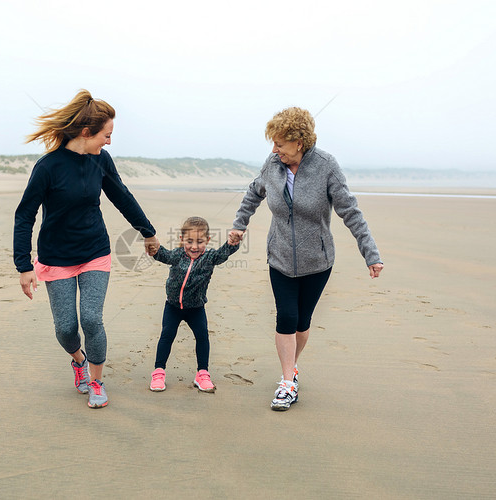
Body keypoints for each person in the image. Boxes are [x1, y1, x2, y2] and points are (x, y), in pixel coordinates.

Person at [229, 107, 383, 411]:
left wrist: (371, 253)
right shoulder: (272, 165)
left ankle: (292, 366)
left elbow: (350, 211)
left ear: (299, 142)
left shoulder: (326, 167)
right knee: (285, 317)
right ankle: (287, 383)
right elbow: (253, 193)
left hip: (317, 261)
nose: (274, 150)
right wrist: (239, 224)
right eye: (273, 144)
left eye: (280, 144)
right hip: (280, 258)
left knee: (302, 322)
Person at [14, 89, 160, 409]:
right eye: (106, 135)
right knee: (66, 328)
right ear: (85, 132)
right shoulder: (48, 167)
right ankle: (78, 360)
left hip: (95, 251)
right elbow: (25, 215)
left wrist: (147, 233)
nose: (108, 142)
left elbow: (121, 196)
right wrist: (23, 266)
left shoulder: (101, 161)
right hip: (56, 258)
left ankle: (96, 381)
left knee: (92, 319)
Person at [147, 216, 239, 393]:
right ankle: (159, 371)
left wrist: (232, 243)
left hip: (196, 308)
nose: (194, 247)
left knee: (202, 336)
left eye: (200, 241)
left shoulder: (210, 258)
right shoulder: (177, 255)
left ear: (207, 240)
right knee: (167, 335)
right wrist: (154, 250)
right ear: (182, 240)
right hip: (173, 306)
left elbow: (224, 253)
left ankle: (202, 373)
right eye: (189, 241)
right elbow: (162, 255)